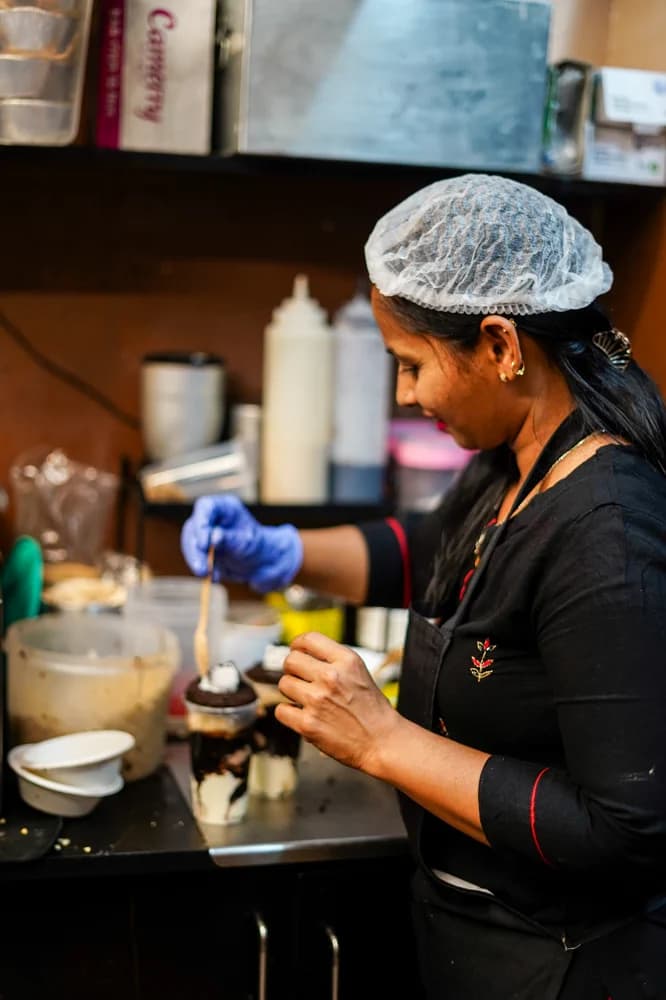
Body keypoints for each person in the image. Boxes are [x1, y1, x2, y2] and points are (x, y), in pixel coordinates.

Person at [181, 174, 666, 999]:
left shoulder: (607, 533)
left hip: (566, 963)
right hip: (473, 934)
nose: (405, 394)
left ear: (502, 345)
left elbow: (626, 827)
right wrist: (276, 551)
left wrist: (382, 739)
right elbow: (434, 552)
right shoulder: (516, 461)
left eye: (411, 365)